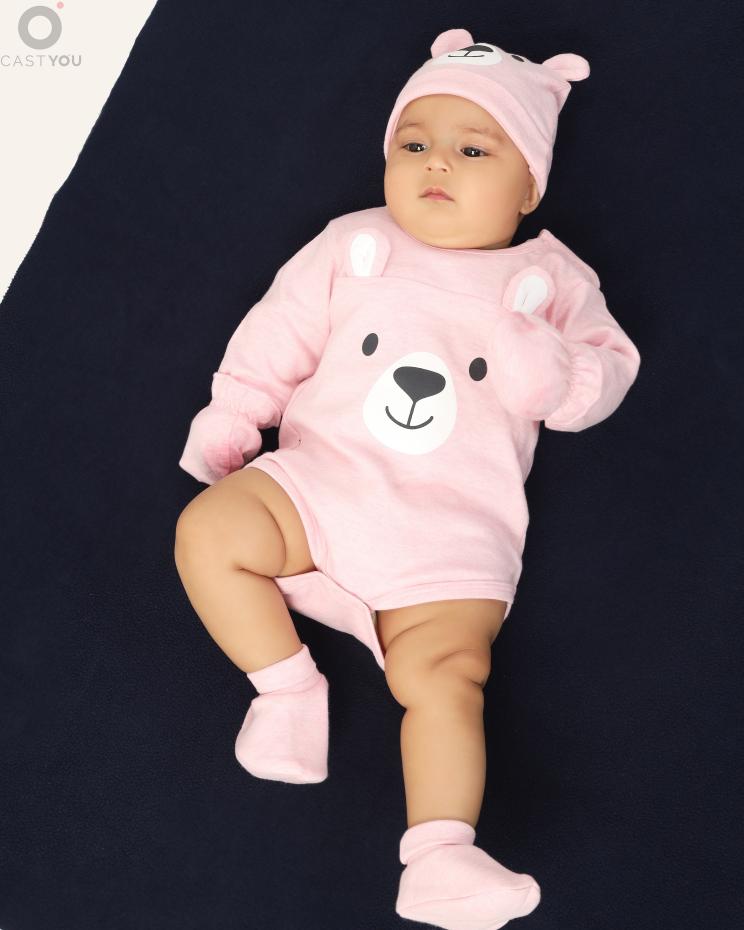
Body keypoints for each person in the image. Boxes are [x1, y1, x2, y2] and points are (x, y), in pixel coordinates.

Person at [174, 27, 641, 930]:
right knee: (208, 531)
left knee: (447, 678)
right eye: (414, 143)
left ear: (529, 186)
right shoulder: (356, 244)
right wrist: (235, 416)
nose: (437, 164)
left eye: (475, 150)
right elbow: (275, 335)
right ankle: (287, 688)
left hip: (450, 533)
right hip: (322, 484)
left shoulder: (550, 277)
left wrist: (558, 377)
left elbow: (608, 372)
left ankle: (438, 855)